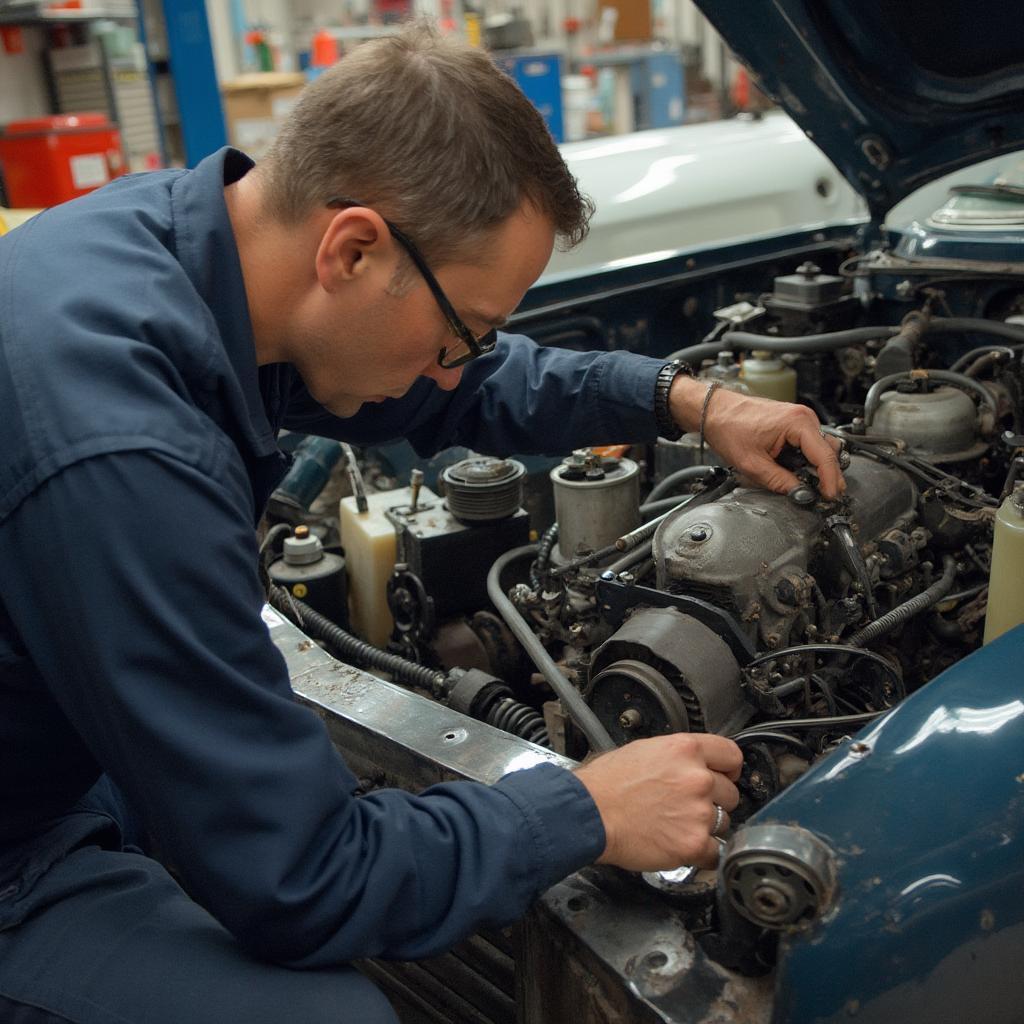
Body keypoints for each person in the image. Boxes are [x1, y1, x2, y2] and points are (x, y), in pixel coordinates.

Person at [0, 24, 843, 1024]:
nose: (458, 362)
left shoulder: (184, 249)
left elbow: (464, 388)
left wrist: (687, 400)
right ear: (352, 247)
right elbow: (304, 880)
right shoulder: (124, 448)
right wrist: (584, 809)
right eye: (461, 329)